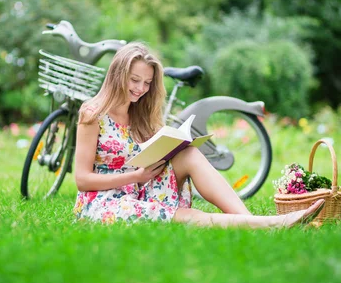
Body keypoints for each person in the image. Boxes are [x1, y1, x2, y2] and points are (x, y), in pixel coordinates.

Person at [73, 42, 325, 228]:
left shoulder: (139, 114)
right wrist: (135, 175)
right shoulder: (92, 114)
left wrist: (169, 149)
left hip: (138, 188)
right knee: (188, 218)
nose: (141, 89)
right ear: (118, 75)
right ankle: (270, 225)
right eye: (135, 80)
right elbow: (82, 180)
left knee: (190, 153)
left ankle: (249, 219)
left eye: (147, 83)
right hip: (104, 202)